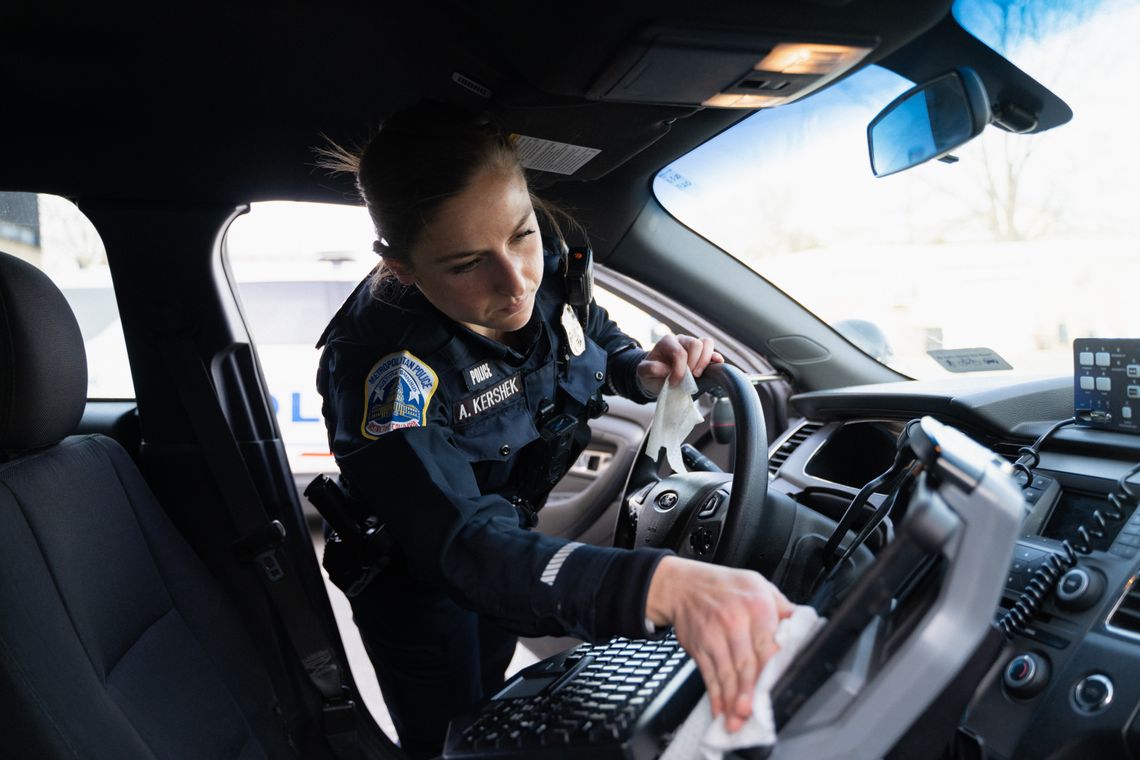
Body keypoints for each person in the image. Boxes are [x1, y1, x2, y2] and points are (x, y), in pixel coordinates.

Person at [315, 101, 792, 758]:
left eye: (521, 234)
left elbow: (588, 333)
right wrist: (656, 585)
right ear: (402, 268)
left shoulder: (549, 261)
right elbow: (463, 545)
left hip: (513, 539)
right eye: (465, 264)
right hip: (423, 583)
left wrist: (641, 370)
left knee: (496, 691)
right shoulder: (386, 370)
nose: (515, 283)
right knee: (453, 740)